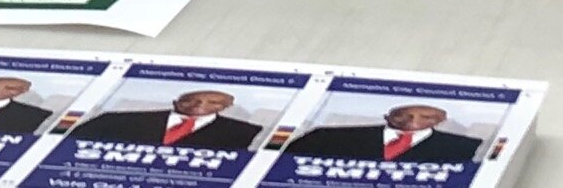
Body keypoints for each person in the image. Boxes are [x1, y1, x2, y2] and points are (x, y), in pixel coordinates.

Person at [285, 104, 482, 163]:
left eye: (426, 116)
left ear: (441, 121)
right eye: (402, 115)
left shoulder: (467, 147)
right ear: (387, 116)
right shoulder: (326, 136)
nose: (413, 120)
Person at [72, 89, 261, 149]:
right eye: (190, 100)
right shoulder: (115, 120)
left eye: (213, 102)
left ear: (226, 108)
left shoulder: (246, 131)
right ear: (175, 102)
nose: (198, 104)